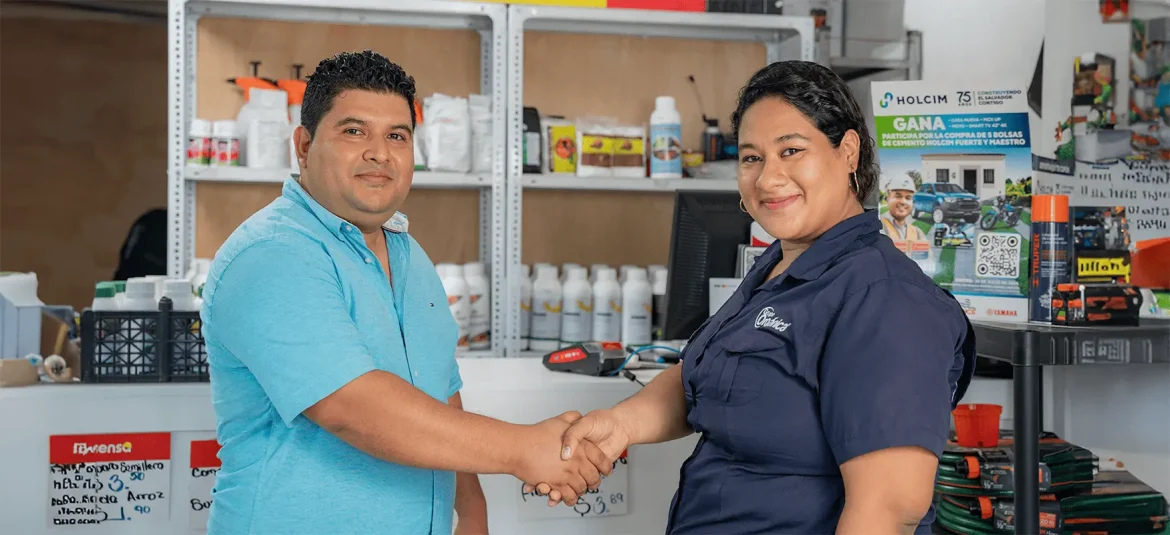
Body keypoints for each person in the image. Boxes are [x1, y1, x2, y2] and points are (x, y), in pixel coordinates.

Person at [533, 61, 978, 533]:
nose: (767, 178)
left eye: (791, 150)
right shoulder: (778, 268)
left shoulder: (887, 299)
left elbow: (889, 509)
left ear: (848, 152)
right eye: (751, 158)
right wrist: (621, 425)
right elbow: (706, 378)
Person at [200, 50, 609, 535]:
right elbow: (354, 407)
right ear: (304, 146)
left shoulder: (407, 253)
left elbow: (439, 393)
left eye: (397, 136)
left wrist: (471, 510)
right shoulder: (273, 254)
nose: (380, 153)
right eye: (355, 131)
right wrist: (525, 449)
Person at [881, 174, 928, 243]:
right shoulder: (876, 229)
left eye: (908, 198)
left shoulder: (917, 233)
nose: (903, 201)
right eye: (898, 196)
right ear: (888, 198)